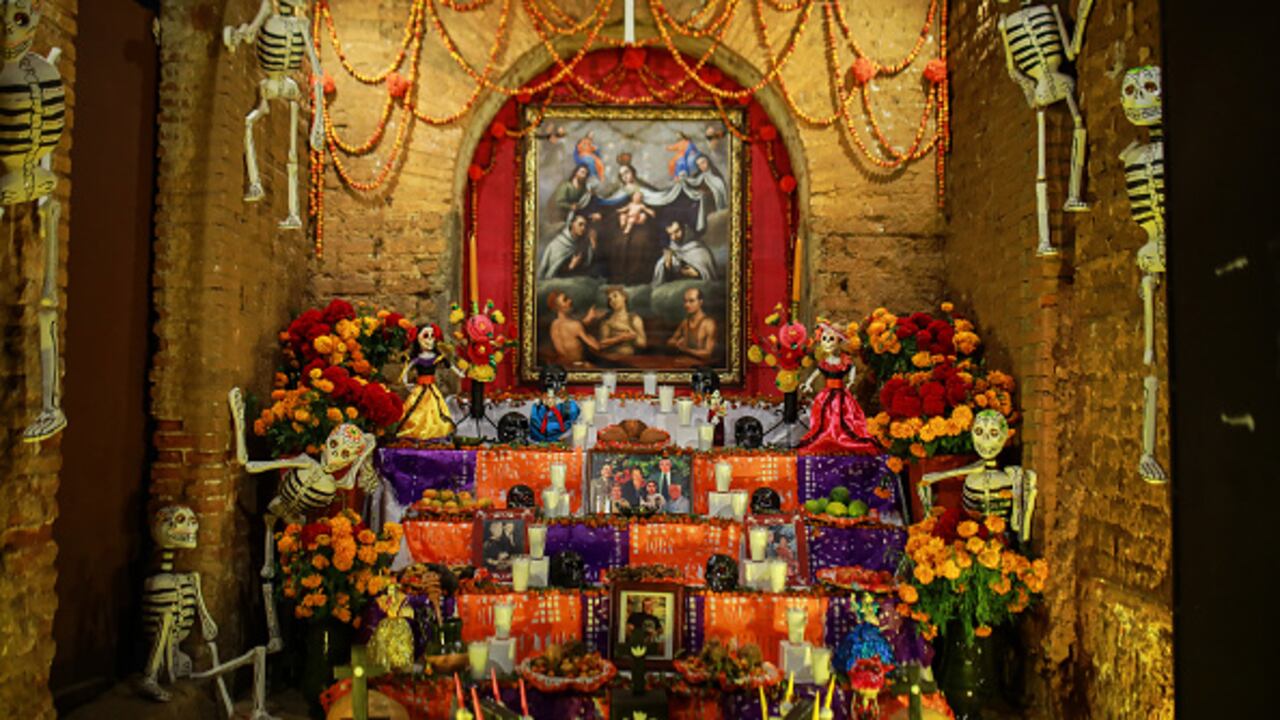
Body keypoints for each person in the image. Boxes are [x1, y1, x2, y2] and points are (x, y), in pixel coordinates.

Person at [797, 322, 879, 454]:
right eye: (824, 339)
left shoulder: (844, 361)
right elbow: (816, 373)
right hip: (827, 393)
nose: (827, 342)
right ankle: (827, 436)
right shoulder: (824, 363)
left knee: (844, 415)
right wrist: (808, 383)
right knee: (825, 416)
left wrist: (851, 381)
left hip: (841, 393)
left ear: (838, 341)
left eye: (831, 339)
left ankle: (841, 437)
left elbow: (851, 368)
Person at [396, 324, 457, 441]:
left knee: (436, 410)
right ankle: (416, 431)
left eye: (432, 336)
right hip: (419, 388)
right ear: (418, 339)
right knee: (416, 410)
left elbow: (450, 366)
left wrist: (460, 373)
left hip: (432, 388)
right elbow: (406, 371)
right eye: (425, 336)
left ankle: (435, 432)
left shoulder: (436, 357)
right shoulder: (417, 359)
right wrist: (406, 382)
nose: (430, 339)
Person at [547, 291, 605, 367]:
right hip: (578, 366)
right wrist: (620, 338)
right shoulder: (575, 325)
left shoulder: (554, 324)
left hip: (564, 365)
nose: (570, 301)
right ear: (557, 308)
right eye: (565, 300)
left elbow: (571, 330)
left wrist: (589, 318)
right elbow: (597, 347)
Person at [652, 220, 717, 284]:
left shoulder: (699, 250)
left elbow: (707, 275)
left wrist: (696, 273)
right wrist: (667, 265)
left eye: (677, 231)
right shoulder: (671, 252)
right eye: (670, 234)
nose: (674, 237)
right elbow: (664, 279)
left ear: (685, 229)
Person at [537, 214, 598, 280]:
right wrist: (571, 266)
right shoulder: (557, 244)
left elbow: (587, 265)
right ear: (572, 224)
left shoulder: (581, 242)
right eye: (580, 224)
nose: (583, 228)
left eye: (585, 226)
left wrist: (593, 244)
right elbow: (551, 273)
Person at [669, 287, 719, 364]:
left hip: (702, 368)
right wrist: (676, 343)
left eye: (691, 301)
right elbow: (670, 341)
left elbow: (708, 354)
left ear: (700, 302)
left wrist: (686, 350)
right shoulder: (685, 322)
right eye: (685, 301)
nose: (687, 305)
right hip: (685, 363)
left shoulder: (708, 324)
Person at [597, 286, 647, 357]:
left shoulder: (634, 319)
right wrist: (619, 339)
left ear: (624, 297)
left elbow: (643, 343)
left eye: (615, 296)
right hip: (611, 358)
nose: (613, 301)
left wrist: (633, 336)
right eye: (610, 299)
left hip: (631, 359)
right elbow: (601, 344)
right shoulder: (607, 321)